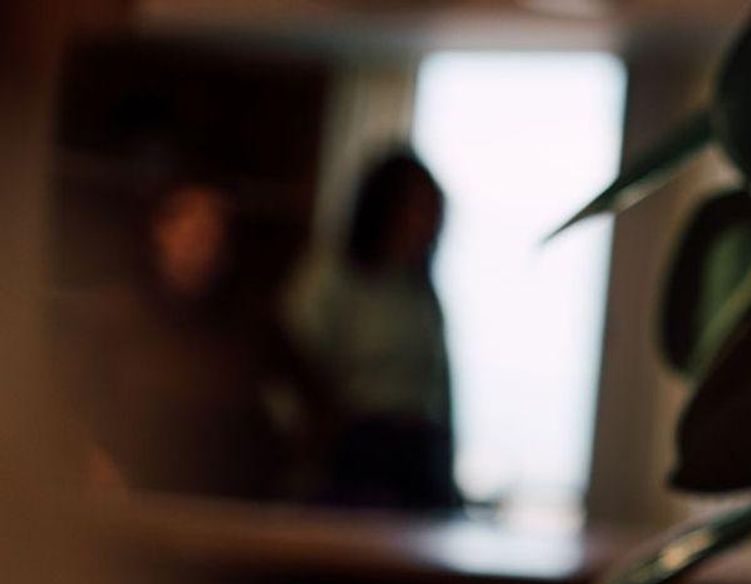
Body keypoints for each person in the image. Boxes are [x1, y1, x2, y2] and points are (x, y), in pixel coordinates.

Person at [57, 178, 315, 498]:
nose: (203, 243)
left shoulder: (251, 322)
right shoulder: (111, 315)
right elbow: (63, 400)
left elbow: (311, 392)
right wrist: (93, 459)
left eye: (214, 232)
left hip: (229, 498)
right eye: (192, 229)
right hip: (132, 494)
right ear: (161, 231)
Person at [284, 149, 462, 511]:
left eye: (432, 212)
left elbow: (440, 389)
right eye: (417, 209)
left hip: (420, 463)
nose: (426, 224)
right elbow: (289, 364)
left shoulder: (419, 292)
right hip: (354, 463)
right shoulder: (332, 278)